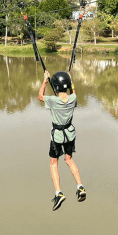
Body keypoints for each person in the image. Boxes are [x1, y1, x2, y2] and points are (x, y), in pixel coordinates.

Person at [38, 69, 86, 211]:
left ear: (56, 87)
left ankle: (58, 193)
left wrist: (45, 81)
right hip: (70, 134)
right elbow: (73, 93)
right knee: (69, 159)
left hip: (58, 137)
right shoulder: (73, 99)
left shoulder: (53, 101)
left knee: (53, 163)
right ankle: (80, 187)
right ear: (68, 86)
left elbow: (40, 96)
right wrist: (71, 82)